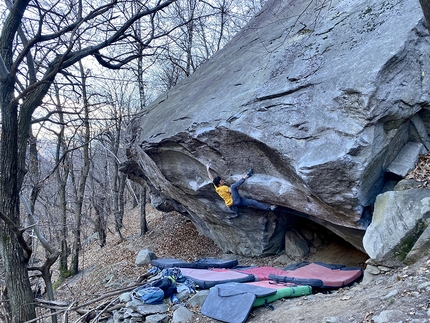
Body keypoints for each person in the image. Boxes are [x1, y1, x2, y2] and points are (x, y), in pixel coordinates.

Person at [206, 163, 277, 216]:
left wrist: (207, 169)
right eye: (221, 181)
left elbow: (211, 178)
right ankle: (247, 175)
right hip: (235, 201)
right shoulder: (223, 188)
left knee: (253, 202)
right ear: (219, 184)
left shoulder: (216, 187)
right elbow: (234, 189)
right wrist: (239, 180)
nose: (223, 180)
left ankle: (270, 208)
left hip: (236, 202)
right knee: (233, 186)